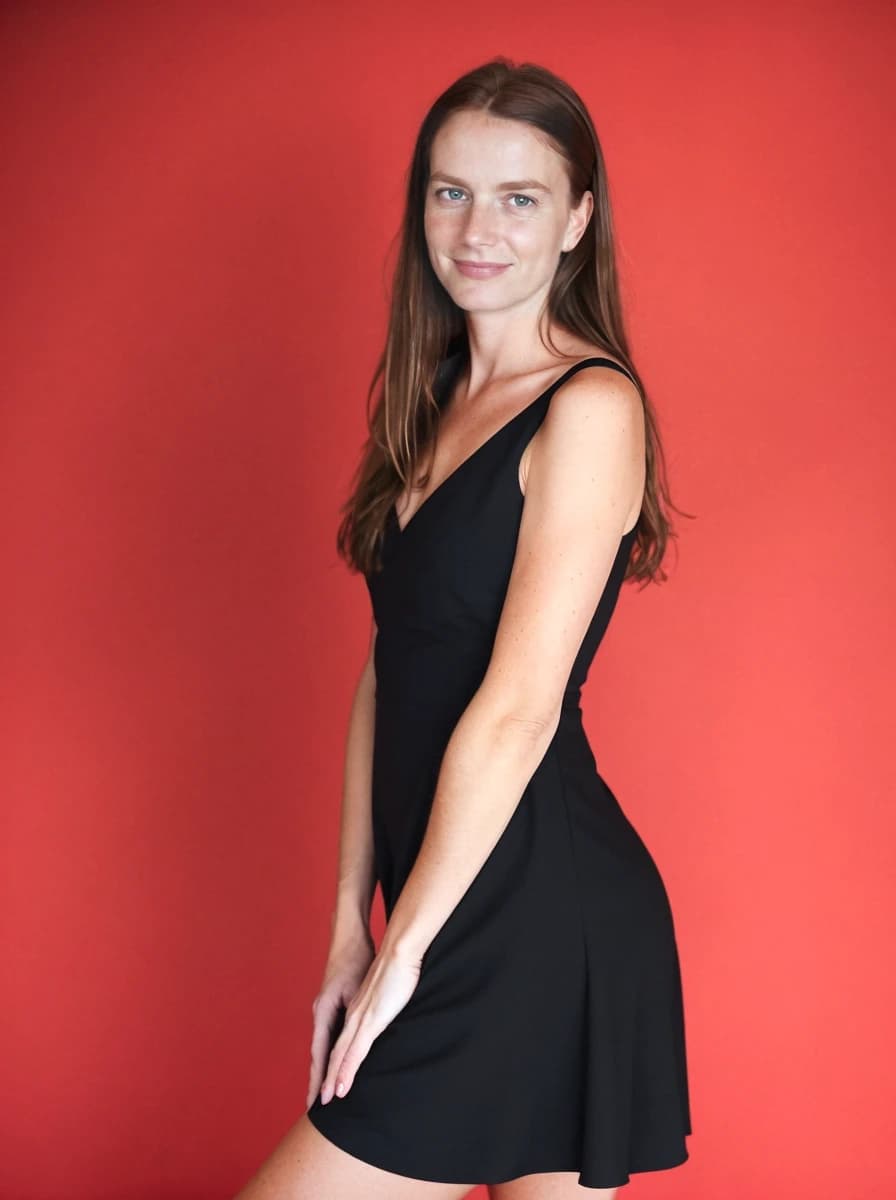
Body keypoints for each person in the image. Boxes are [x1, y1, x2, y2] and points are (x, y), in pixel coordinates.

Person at [234, 57, 692, 1200]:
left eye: (518, 197)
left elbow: (517, 706)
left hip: (535, 917)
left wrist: (405, 952)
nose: (476, 227)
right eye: (449, 192)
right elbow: (389, 677)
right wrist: (350, 921)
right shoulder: (430, 402)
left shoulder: (590, 406)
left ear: (577, 220)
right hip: (441, 907)